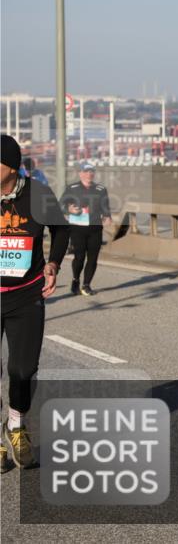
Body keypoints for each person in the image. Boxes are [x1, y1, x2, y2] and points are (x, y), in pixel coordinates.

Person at [1, 135, 68, 471]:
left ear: (12, 168)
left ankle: (15, 425)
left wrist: (53, 264)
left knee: (23, 370)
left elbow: (61, 229)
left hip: (26, 294)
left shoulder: (38, 195)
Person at [60, 162, 112, 296]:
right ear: (80, 173)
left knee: (93, 258)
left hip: (95, 227)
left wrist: (107, 216)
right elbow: (61, 205)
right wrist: (69, 209)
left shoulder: (101, 189)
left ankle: (86, 285)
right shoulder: (72, 188)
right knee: (79, 257)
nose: (89, 174)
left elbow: (105, 205)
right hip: (77, 227)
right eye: (86, 171)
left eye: (91, 171)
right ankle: (75, 279)